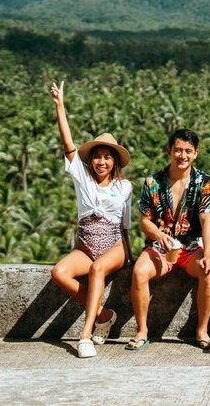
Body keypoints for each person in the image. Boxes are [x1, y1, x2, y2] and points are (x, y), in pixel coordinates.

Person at [48, 81, 132, 359]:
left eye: (107, 157)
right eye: (97, 157)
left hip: (114, 246)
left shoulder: (125, 187)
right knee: (59, 272)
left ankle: (85, 335)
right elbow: (68, 144)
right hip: (86, 245)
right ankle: (104, 315)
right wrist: (60, 105)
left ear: (115, 162)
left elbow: (125, 225)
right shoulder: (82, 178)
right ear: (91, 161)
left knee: (97, 269)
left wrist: (129, 254)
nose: (102, 162)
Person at [127, 128, 210, 353]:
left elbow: (207, 221)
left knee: (208, 270)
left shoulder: (204, 182)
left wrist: (208, 255)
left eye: (188, 151)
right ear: (169, 151)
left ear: (196, 153)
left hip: (191, 247)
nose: (182, 155)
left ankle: (202, 331)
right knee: (139, 272)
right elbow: (145, 221)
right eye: (178, 150)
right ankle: (142, 331)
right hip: (161, 246)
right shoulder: (153, 182)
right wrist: (159, 235)